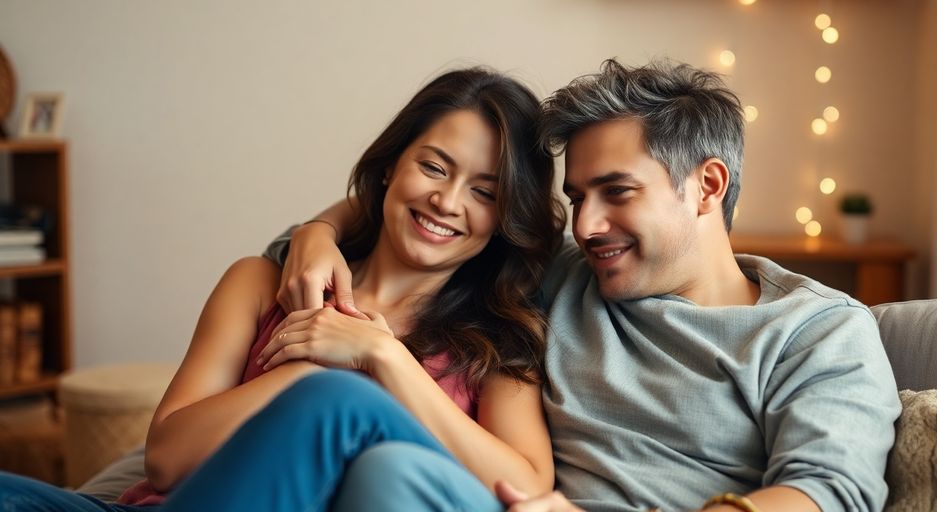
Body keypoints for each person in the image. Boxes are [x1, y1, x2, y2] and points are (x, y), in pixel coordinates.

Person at [266, 59, 902, 512]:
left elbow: (830, 491)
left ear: (707, 186)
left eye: (617, 192)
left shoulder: (819, 331)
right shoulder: (563, 275)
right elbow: (434, 215)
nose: (588, 224)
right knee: (390, 472)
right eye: (577, 197)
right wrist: (318, 233)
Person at [0, 67, 564, 511]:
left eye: (485, 193)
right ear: (392, 165)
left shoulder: (497, 339)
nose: (447, 202)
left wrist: (380, 356)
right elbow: (167, 461)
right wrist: (310, 364)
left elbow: (526, 484)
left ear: (504, 218)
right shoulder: (259, 283)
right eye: (435, 167)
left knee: (341, 401)